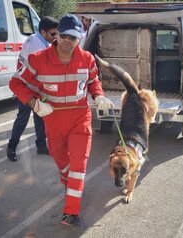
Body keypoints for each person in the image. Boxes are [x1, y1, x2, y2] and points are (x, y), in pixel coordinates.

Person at [9, 14, 114, 226]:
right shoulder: (38, 59)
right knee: (62, 163)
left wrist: (99, 95)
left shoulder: (87, 59)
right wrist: (35, 104)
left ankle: (71, 212)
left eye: (73, 37)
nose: (68, 40)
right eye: (64, 35)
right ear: (57, 36)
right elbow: (16, 83)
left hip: (80, 118)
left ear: (79, 38)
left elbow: (94, 82)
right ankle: (69, 183)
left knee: (78, 165)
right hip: (53, 118)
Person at [7, 16, 58, 161]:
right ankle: (11, 147)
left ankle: (41, 146)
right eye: (53, 34)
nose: (55, 37)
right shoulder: (37, 46)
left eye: (57, 34)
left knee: (40, 117)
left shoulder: (38, 40)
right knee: (23, 118)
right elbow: (42, 72)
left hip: (34, 87)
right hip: (25, 87)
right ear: (43, 32)